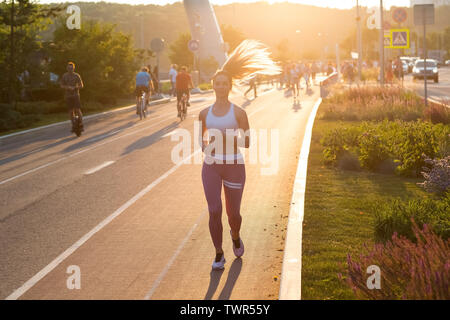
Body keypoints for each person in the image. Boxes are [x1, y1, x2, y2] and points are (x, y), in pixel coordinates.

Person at [198, 39, 280, 270]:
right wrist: (206, 146)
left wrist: (227, 138)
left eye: (225, 83)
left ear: (230, 86)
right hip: (212, 166)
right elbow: (200, 143)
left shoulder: (240, 112)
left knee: (234, 215)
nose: (221, 87)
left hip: (234, 165)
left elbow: (247, 142)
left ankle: (235, 234)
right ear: (213, 85)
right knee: (214, 210)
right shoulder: (204, 114)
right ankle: (218, 253)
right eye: (218, 83)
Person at [60, 62, 84, 133]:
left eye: (71, 68)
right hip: (68, 96)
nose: (70, 69)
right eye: (69, 68)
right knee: (71, 111)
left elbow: (82, 85)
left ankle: (81, 124)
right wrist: (68, 87)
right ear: (67, 68)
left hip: (76, 95)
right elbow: (61, 85)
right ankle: (73, 125)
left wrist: (76, 87)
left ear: (74, 68)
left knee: (78, 109)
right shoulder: (64, 76)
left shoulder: (77, 76)